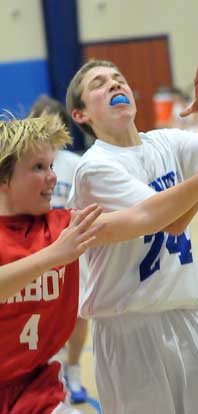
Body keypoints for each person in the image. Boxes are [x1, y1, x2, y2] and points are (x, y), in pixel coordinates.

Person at [0, 111, 198, 413]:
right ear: (3, 179)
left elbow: (145, 216)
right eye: (38, 168)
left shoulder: (66, 227)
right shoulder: (58, 243)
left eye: (51, 165)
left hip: (37, 390)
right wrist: (52, 256)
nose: (53, 176)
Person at [66, 58, 198, 414]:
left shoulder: (167, 142)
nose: (114, 84)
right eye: (99, 83)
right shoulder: (94, 169)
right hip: (129, 333)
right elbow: (161, 218)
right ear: (81, 114)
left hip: (189, 319)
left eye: (119, 78)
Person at [30, 95, 89, 404]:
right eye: (42, 119)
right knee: (41, 320)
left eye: (55, 121)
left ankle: (74, 369)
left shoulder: (75, 165)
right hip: (35, 255)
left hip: (72, 253)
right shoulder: (21, 165)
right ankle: (44, 375)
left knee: (80, 316)